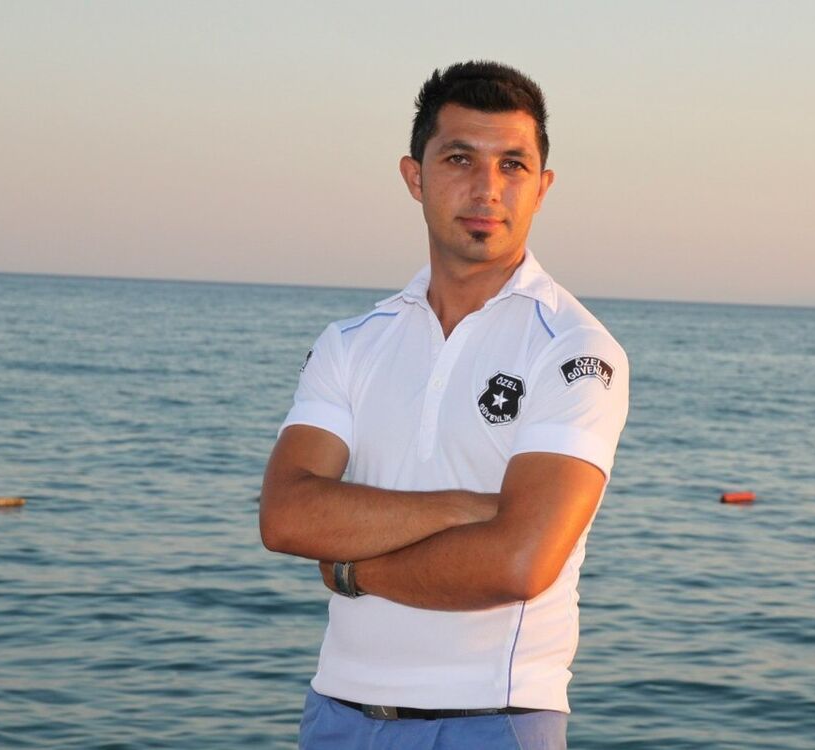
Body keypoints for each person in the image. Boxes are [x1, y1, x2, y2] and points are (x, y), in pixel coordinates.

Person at [260, 60, 629, 749]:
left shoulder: (575, 349)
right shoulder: (351, 343)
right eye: (460, 159)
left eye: (512, 165)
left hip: (494, 721)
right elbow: (286, 515)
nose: (486, 188)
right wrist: (465, 508)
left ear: (542, 187)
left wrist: (351, 570)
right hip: (336, 717)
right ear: (415, 177)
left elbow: (520, 561)